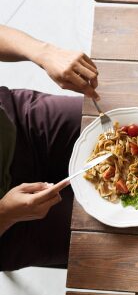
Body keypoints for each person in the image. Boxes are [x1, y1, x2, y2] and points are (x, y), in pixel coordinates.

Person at [0, 24, 99, 271]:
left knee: (128, 130)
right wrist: (5, 213)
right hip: (10, 226)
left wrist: (42, 52)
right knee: (118, 238)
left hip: (18, 123)